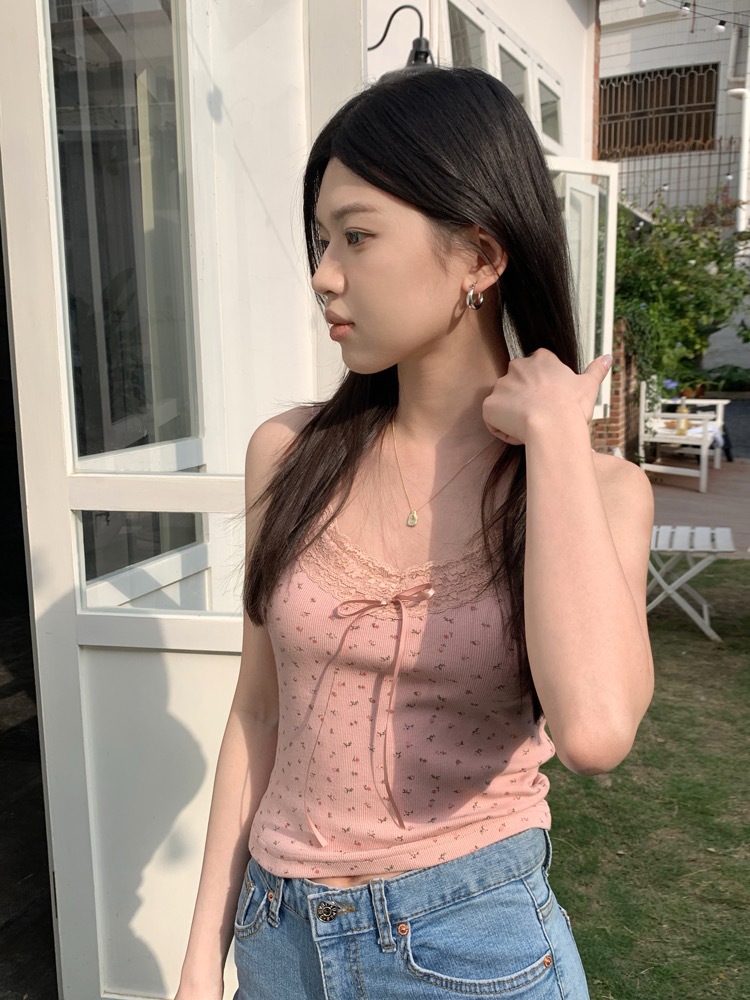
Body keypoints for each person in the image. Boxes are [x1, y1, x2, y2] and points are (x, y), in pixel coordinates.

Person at [175, 67, 654, 1000]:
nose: (323, 274)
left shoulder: (594, 490)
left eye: (356, 236)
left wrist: (556, 435)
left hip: (469, 946)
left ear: (480, 256)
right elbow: (259, 712)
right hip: (278, 939)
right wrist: (202, 961)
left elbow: (595, 732)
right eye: (321, 239)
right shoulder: (289, 456)